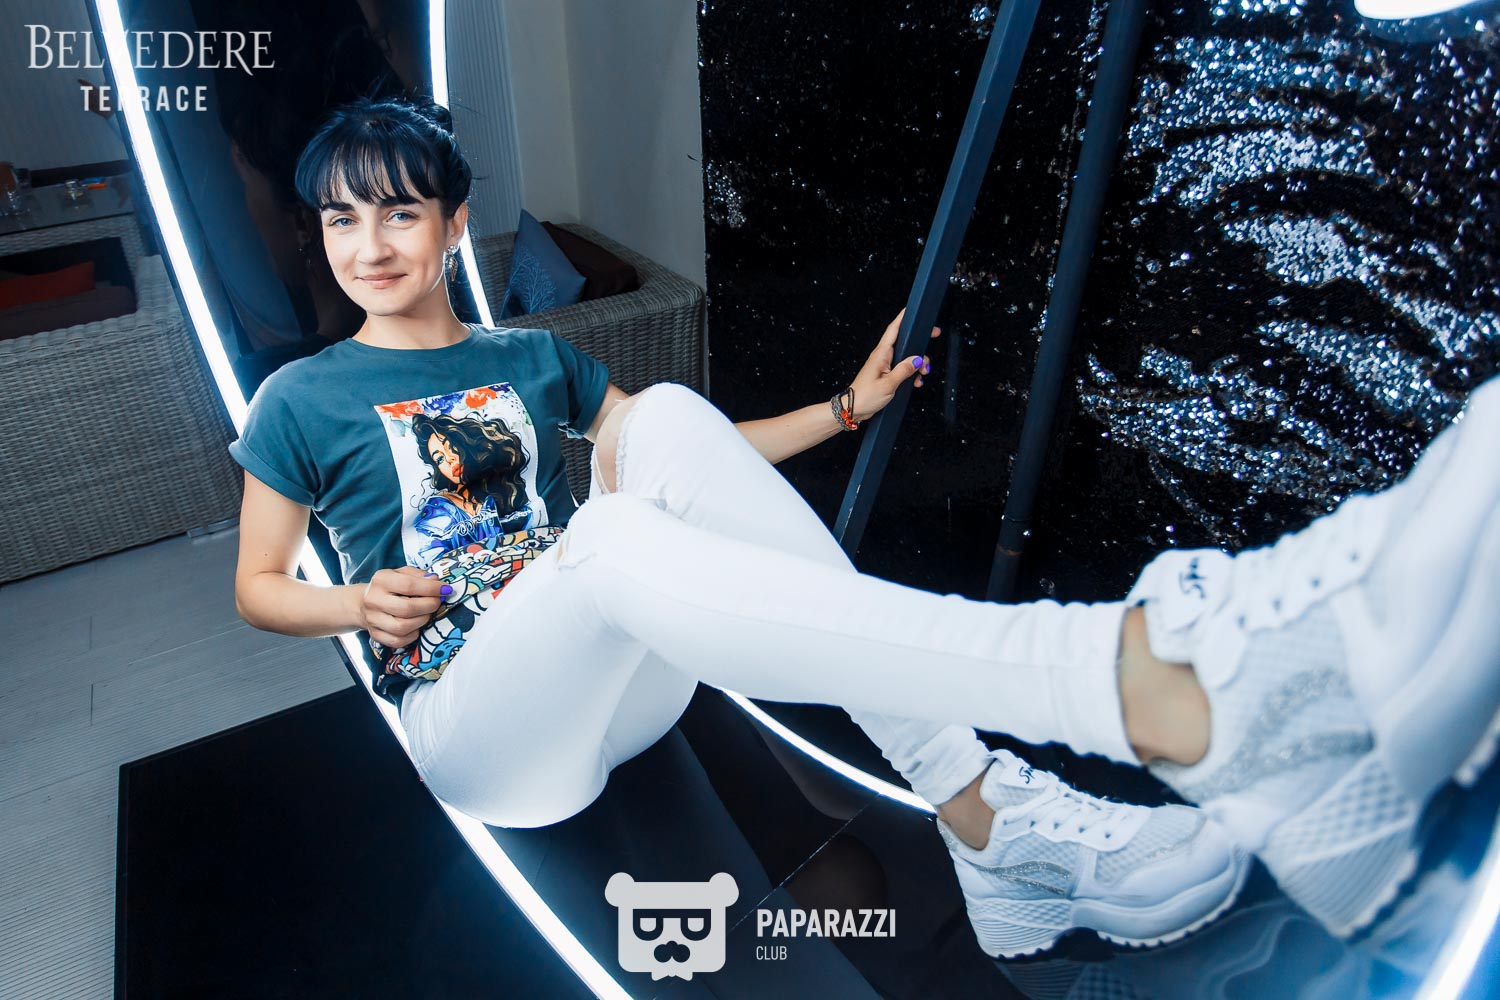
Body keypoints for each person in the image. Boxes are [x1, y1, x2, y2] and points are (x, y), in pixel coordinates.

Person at [230, 97, 1499, 959]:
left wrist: (844, 410)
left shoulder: (529, 358)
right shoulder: (300, 397)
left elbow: (696, 464)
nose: (369, 245)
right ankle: (1134, 686)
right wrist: (349, 602)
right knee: (607, 543)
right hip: (486, 729)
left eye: (399, 212)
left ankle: (981, 811)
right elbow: (260, 583)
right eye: (342, 219)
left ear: (454, 224)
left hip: (621, 689)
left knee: (664, 417)